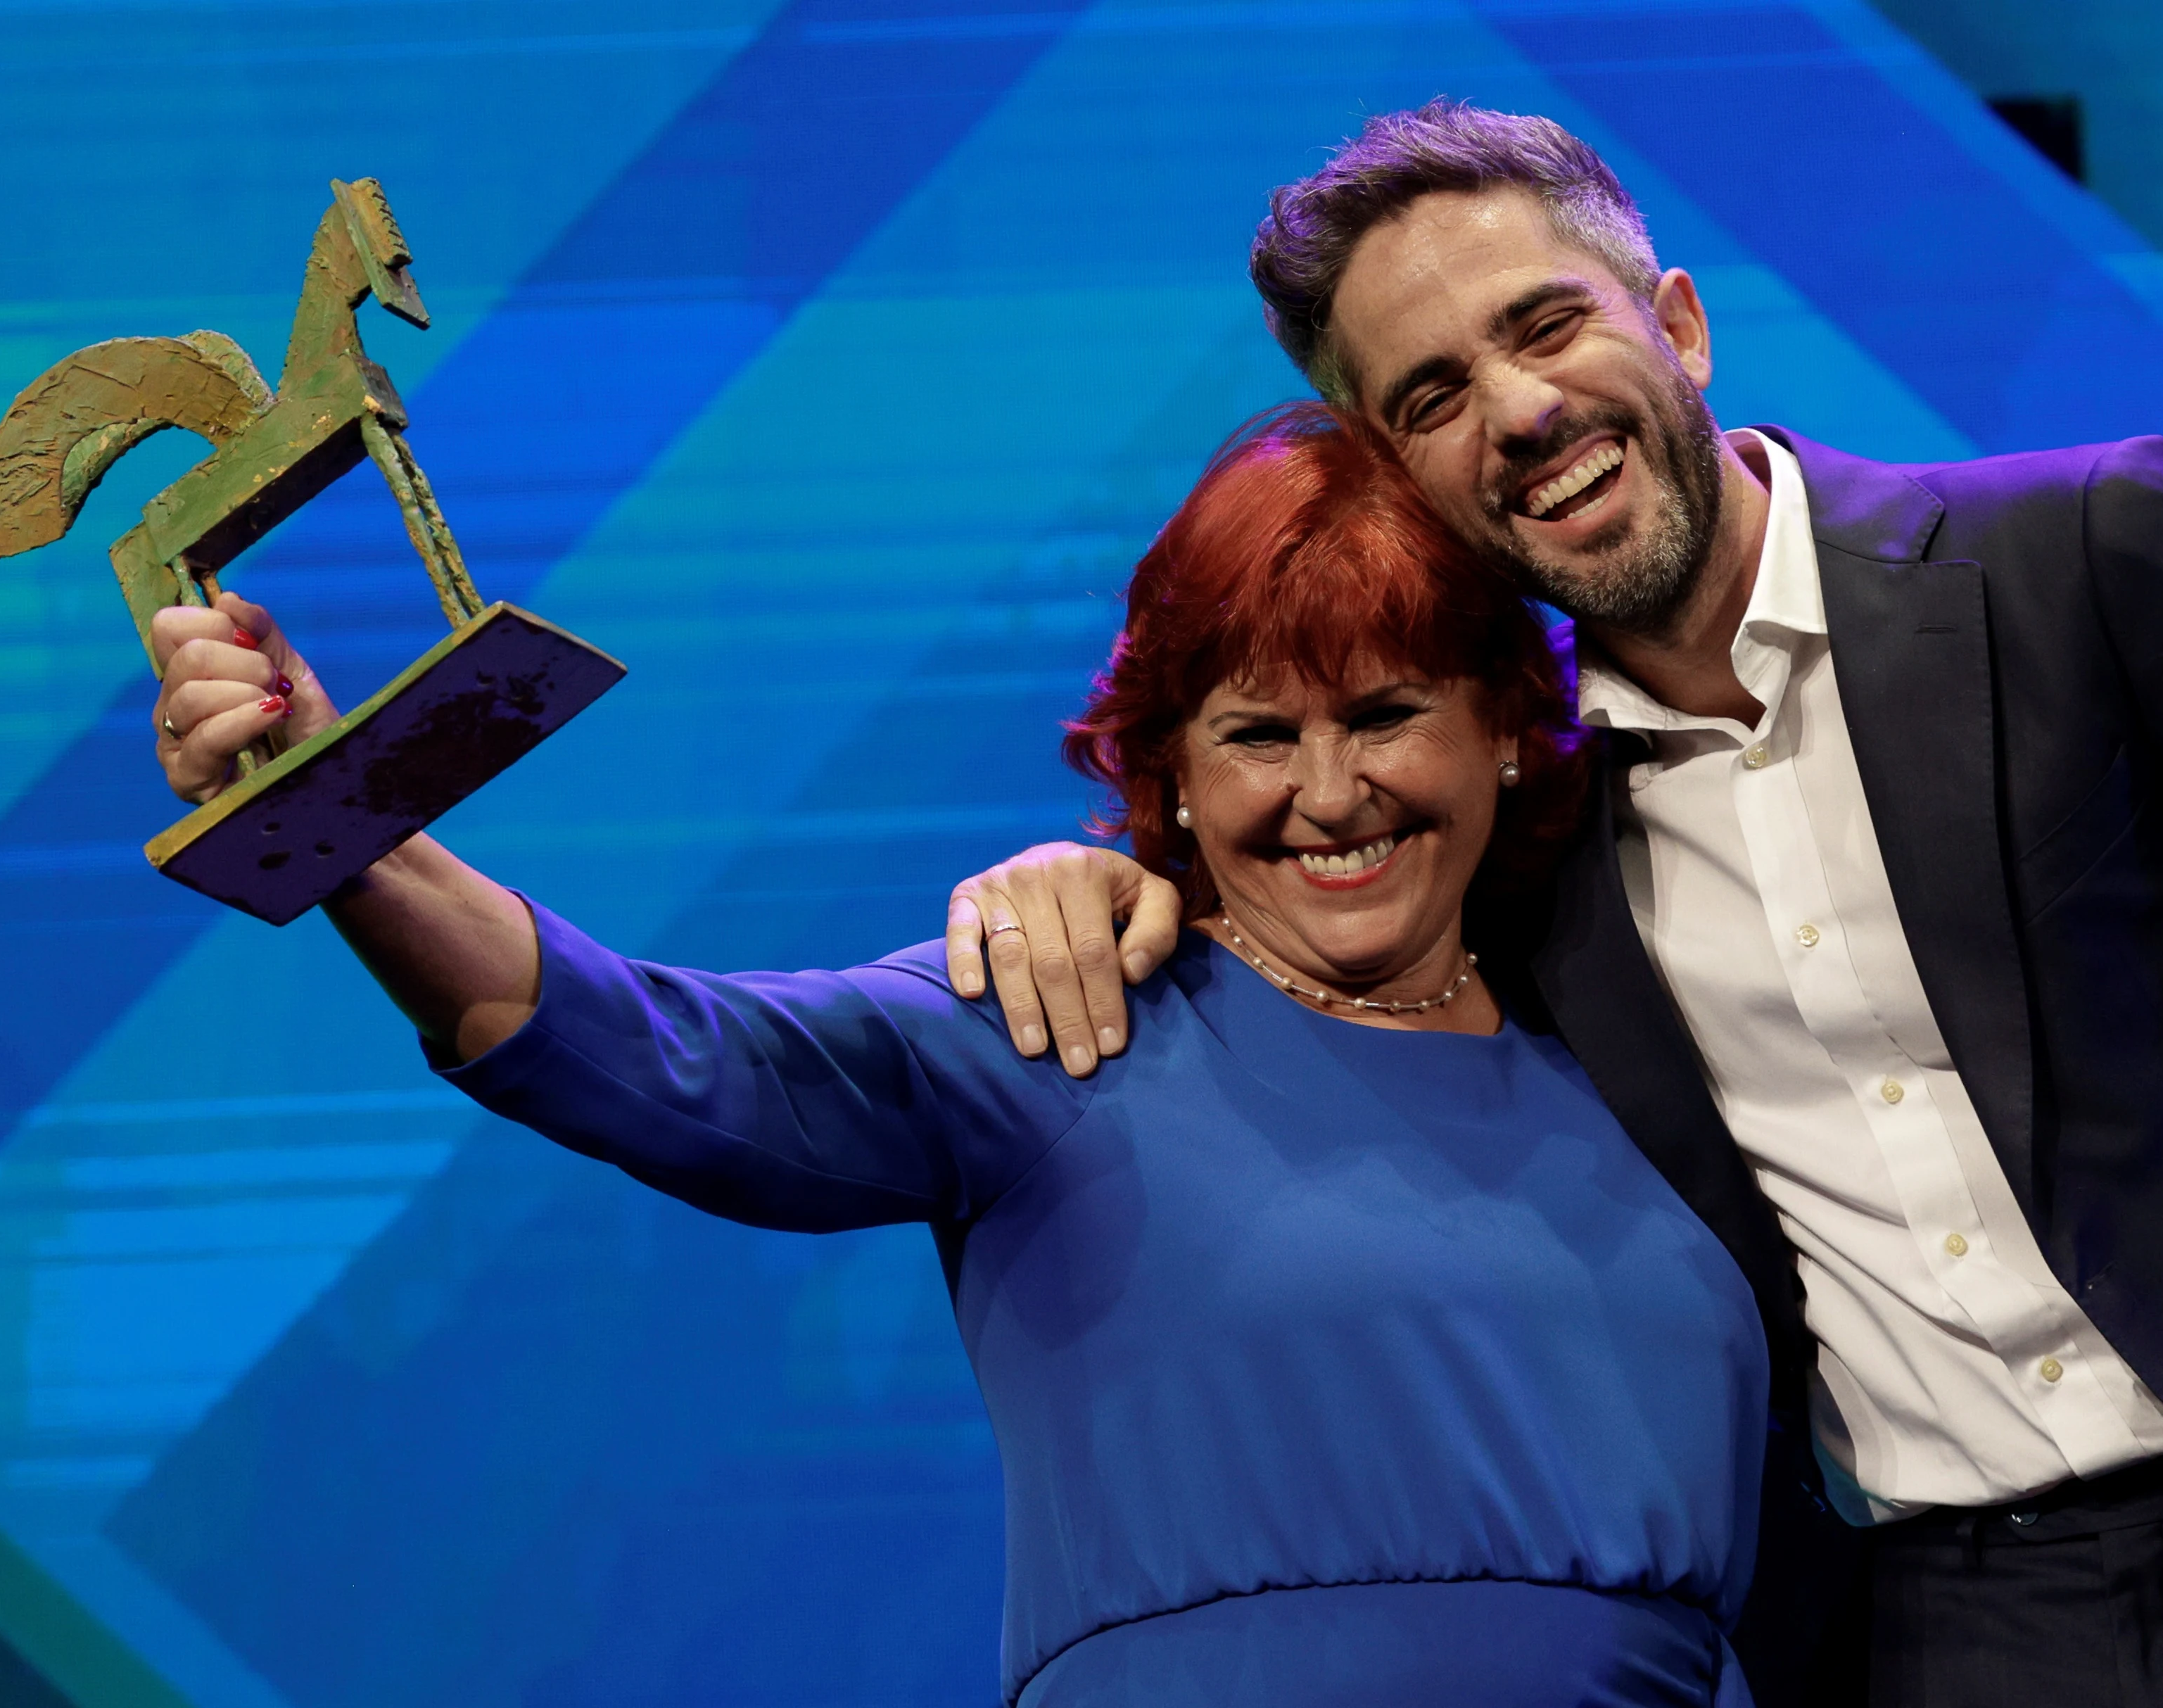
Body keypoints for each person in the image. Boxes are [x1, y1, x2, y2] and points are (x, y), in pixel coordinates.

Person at [946, 104, 2163, 1708]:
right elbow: (1313, 891)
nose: (1518, 412)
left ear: (1675, 321)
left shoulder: (2104, 557)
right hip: (1942, 1625)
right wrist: (1099, 878)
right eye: (1430, 398)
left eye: (1546, 323)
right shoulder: (1523, 829)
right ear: (1392, 483)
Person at [144, 405, 1770, 1708]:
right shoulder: (1068, 1014)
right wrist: (344, 821)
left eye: (1388, 714)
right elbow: (657, 1053)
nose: (1331, 794)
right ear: (1175, 778)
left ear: (1505, 724)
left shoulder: (1651, 1051)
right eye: (1260, 734)